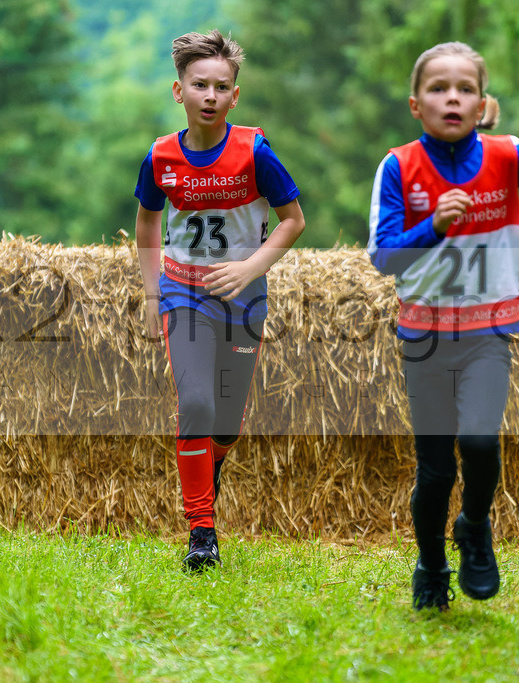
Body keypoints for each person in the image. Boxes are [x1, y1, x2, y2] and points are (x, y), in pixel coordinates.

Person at [367, 42, 519, 611]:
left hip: (489, 331)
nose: (452, 98)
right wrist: (433, 226)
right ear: (416, 105)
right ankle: (431, 565)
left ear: (482, 105)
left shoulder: (509, 154)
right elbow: (383, 257)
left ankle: (475, 525)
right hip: (424, 337)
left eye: (465, 89)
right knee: (435, 471)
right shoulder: (398, 166)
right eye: (438, 89)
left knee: (480, 441)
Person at [134, 30, 305, 572]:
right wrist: (151, 291)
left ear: (235, 96)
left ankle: (210, 465)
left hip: (244, 299)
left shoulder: (254, 152)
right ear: (178, 91)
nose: (210, 95)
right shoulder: (161, 156)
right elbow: (148, 223)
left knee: (227, 422)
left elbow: (293, 221)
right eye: (199, 85)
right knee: (197, 405)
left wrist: (250, 268)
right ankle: (201, 532)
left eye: (221, 87)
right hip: (184, 294)